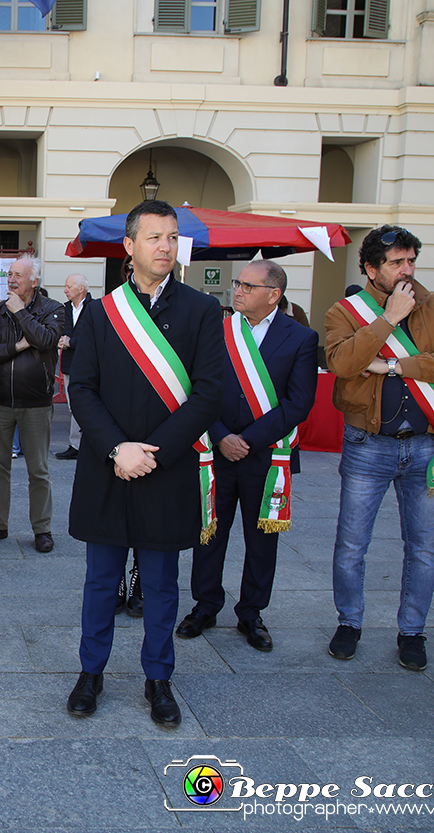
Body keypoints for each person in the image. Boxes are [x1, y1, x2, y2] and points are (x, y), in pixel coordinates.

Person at [65, 200, 223, 724]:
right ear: (128, 246)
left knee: (159, 584)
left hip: (166, 468)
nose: (165, 247)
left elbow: (208, 394)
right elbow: (82, 389)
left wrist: (154, 452)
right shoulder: (101, 313)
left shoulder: (202, 311)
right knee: (100, 581)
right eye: (154, 237)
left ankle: (159, 679)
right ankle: (91, 672)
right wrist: (118, 449)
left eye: (172, 237)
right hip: (107, 467)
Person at [324, 225, 434, 671]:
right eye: (396, 262)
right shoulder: (345, 311)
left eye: (411, 260)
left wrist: (393, 366)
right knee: (352, 544)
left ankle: (412, 631)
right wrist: (388, 318)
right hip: (367, 445)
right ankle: (349, 622)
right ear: (370, 268)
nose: (407, 269)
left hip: (429, 447)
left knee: (424, 547)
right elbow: (344, 363)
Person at [176, 260, 318, 652]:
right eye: (237, 283)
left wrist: (248, 440)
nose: (236, 290)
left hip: (266, 457)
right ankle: (205, 604)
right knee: (209, 534)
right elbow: (196, 386)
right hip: (216, 452)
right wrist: (221, 436)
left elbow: (299, 403)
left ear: (274, 295)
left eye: (247, 286)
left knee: (262, 540)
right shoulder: (219, 330)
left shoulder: (301, 338)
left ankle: (252, 612)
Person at [0, 254, 65, 553]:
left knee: (38, 469)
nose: (11, 280)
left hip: (36, 403)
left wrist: (21, 313)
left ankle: (42, 529)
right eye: (9, 274)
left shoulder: (53, 309)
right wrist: (17, 346)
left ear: (34, 281)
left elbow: (46, 341)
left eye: (17, 275)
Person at [55, 273, 93, 461]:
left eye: (69, 287)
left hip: (88, 365)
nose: (65, 290)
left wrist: (71, 342)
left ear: (81, 289)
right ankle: (76, 444)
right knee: (72, 406)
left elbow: (92, 337)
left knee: (84, 404)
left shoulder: (94, 309)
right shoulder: (65, 309)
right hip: (70, 364)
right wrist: (61, 340)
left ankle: (84, 443)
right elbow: (62, 332)